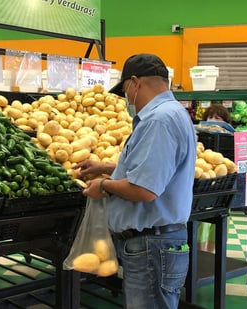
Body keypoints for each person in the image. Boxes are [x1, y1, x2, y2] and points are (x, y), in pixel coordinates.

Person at [73, 53, 197, 309]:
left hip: (151, 245)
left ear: (135, 83)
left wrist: (104, 186)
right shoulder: (174, 113)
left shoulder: (158, 120)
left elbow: (145, 189)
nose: (127, 98)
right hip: (158, 243)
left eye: (126, 91)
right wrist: (107, 166)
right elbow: (156, 168)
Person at [198, 104, 233, 253]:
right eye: (210, 117)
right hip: (205, 187)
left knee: (219, 224)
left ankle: (213, 255)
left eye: (217, 118)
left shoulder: (231, 140)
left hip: (223, 188)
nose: (213, 121)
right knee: (201, 225)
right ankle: (200, 254)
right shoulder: (200, 138)